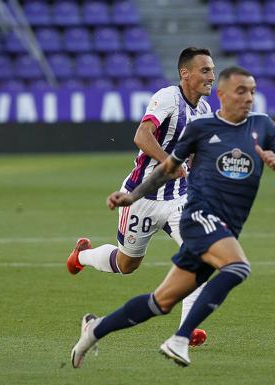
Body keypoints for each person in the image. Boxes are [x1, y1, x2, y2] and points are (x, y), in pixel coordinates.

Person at [70, 66, 275, 368]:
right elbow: (153, 148)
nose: (249, 97)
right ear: (222, 94)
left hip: (185, 203)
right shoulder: (176, 106)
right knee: (227, 265)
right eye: (241, 90)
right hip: (174, 208)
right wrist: (132, 196)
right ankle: (180, 337)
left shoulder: (257, 125)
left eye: (252, 91)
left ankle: (95, 330)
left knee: (159, 302)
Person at [65, 47, 215, 347]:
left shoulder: (205, 112)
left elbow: (197, 158)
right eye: (205, 70)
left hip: (178, 199)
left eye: (212, 70)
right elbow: (142, 136)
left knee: (200, 254)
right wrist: (167, 163)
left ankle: (186, 330)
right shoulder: (167, 98)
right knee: (127, 264)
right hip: (140, 197)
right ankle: (80, 256)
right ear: (185, 73)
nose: (212, 76)